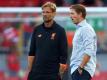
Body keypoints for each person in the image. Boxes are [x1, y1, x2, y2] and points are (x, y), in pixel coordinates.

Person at [27, 2, 68, 80]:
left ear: (54, 14)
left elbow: (64, 54)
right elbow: (31, 52)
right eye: (43, 12)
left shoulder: (60, 31)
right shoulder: (37, 29)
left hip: (52, 74)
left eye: (47, 12)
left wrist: (59, 74)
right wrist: (30, 71)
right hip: (36, 74)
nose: (45, 14)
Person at [69, 4, 97, 80]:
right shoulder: (80, 29)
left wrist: (81, 67)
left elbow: (89, 50)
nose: (70, 16)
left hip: (82, 69)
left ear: (80, 14)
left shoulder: (86, 29)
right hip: (78, 68)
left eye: (72, 13)